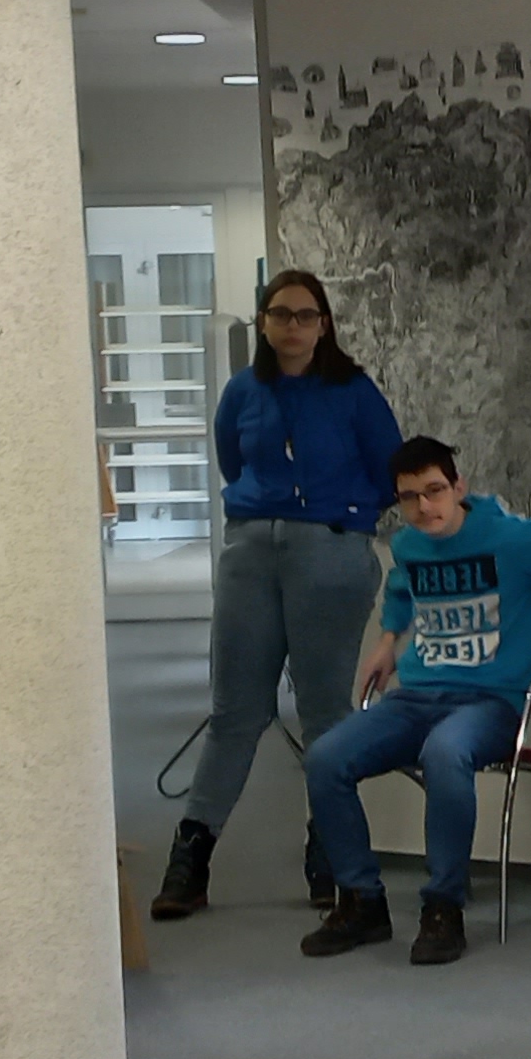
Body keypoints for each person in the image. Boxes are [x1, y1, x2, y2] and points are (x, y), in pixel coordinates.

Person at [302, 438, 531, 964]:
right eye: (410, 497)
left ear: (458, 487)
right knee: (324, 758)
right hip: (416, 697)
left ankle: (443, 907)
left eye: (434, 491)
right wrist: (388, 639)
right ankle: (361, 901)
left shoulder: (511, 539)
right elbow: (401, 587)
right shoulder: (409, 544)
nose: (424, 507)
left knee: (445, 751)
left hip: (492, 703)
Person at [153, 269, 401, 923]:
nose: (293, 326)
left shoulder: (353, 390)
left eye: (305, 315)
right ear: (263, 323)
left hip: (329, 551)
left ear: (324, 325)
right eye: (280, 314)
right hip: (251, 553)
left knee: (323, 712)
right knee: (235, 711)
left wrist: (342, 515)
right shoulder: (243, 391)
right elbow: (232, 461)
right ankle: (192, 854)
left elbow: (390, 469)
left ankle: (330, 853)